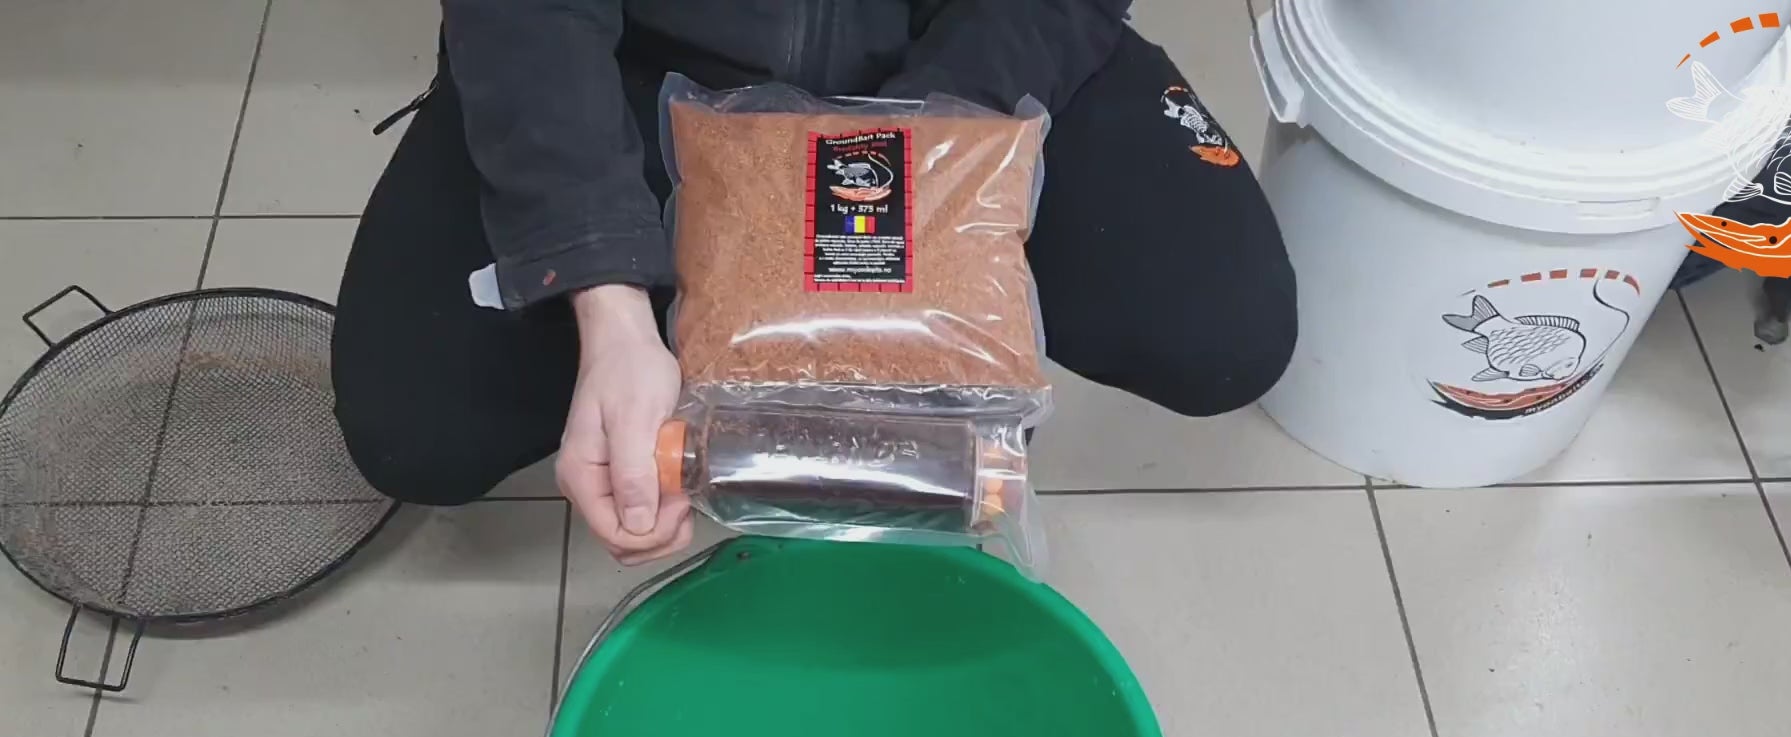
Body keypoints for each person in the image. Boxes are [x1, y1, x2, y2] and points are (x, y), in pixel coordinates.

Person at [330, 0, 1298, 565]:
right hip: (637, 61)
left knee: (1220, 327)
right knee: (417, 426)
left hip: (965, 42)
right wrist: (608, 302)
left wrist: (936, 167)